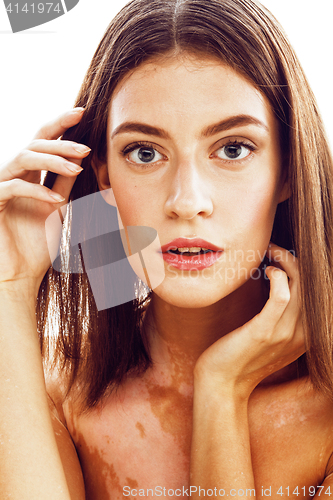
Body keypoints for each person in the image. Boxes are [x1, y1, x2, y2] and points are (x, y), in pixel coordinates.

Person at [1, 0, 333, 498]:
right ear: (103, 176)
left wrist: (221, 388)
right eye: (145, 153)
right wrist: (11, 286)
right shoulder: (60, 399)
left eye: (233, 148)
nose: (186, 202)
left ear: (287, 170)